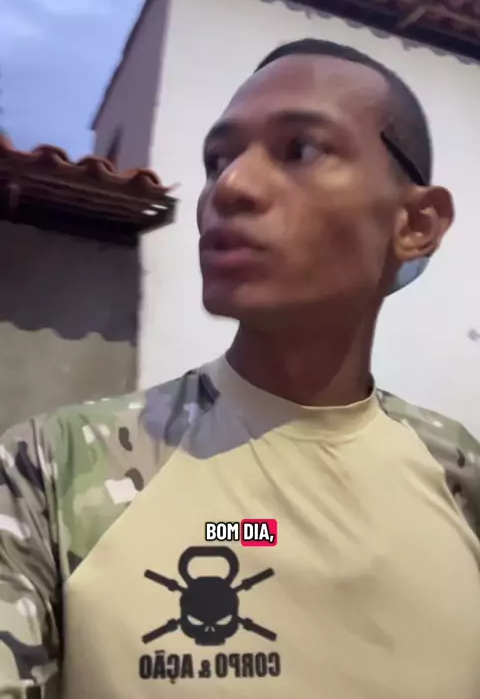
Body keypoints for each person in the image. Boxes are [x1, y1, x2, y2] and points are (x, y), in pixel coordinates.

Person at [1, 39, 479, 699]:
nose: (229, 187)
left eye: (300, 150)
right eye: (216, 160)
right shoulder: (47, 471)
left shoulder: (460, 473)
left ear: (416, 224)